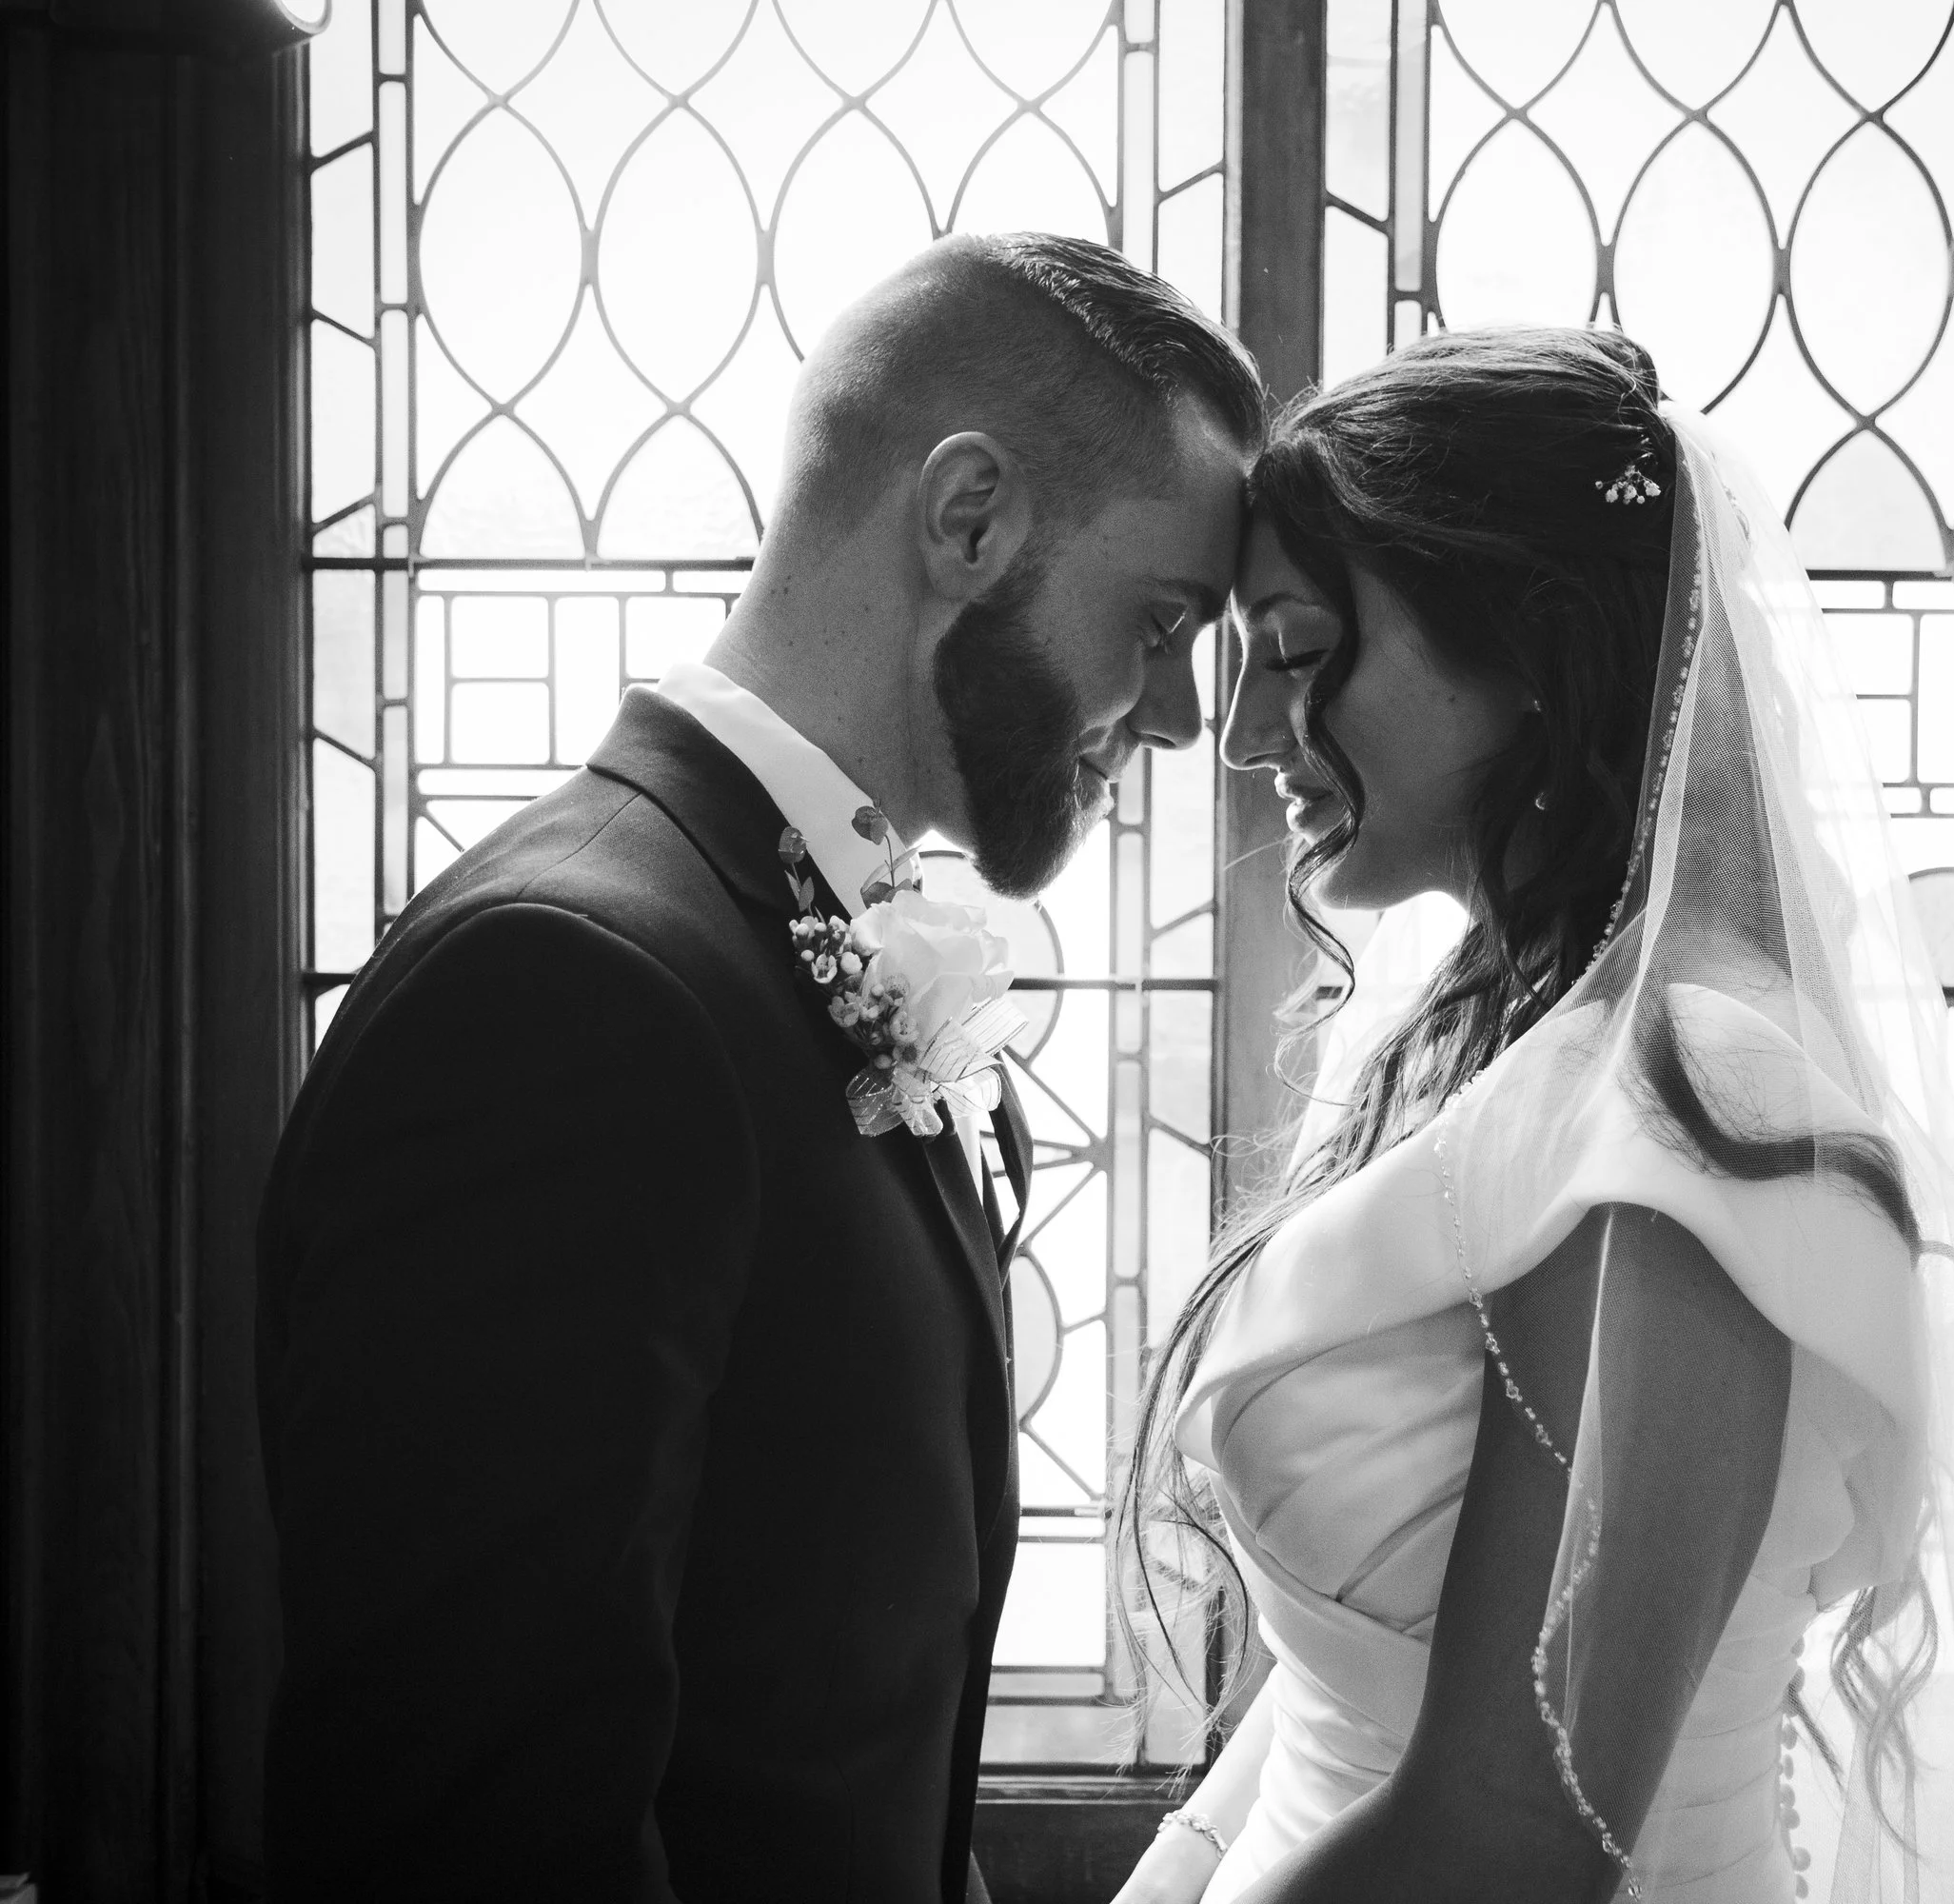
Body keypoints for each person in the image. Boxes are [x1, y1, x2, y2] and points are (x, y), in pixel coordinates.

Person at [254, 233, 1261, 1902]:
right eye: (1161, 621)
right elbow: (473, 1818)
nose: (1174, 713)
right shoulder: (568, 997)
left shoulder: (791, 936)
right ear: (968, 519)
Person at [1115, 329, 1954, 1903]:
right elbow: (1351, 1687)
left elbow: (1517, 1844)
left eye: (1303, 647)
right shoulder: (1488, 1026)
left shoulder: (1687, 1114)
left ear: (1534, 650)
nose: (1249, 734)